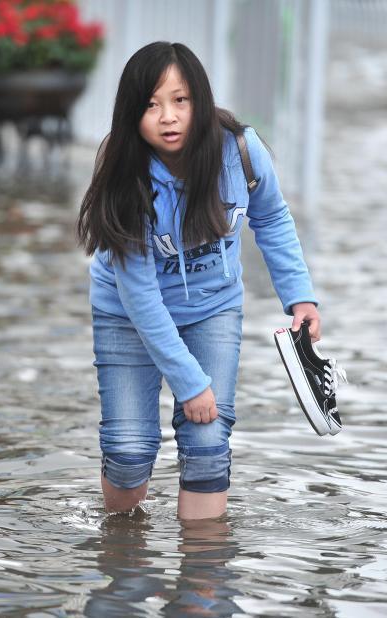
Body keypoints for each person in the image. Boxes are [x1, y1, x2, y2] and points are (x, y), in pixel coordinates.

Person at [77, 42, 321, 520]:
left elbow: (271, 218)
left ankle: (202, 584)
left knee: (208, 447)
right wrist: (189, 383)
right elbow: (141, 297)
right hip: (127, 315)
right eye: (151, 104)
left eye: (180, 100)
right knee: (129, 455)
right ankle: (121, 550)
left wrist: (300, 298)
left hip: (213, 308)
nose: (168, 117)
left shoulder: (241, 152)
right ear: (131, 114)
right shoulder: (127, 180)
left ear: (201, 101)